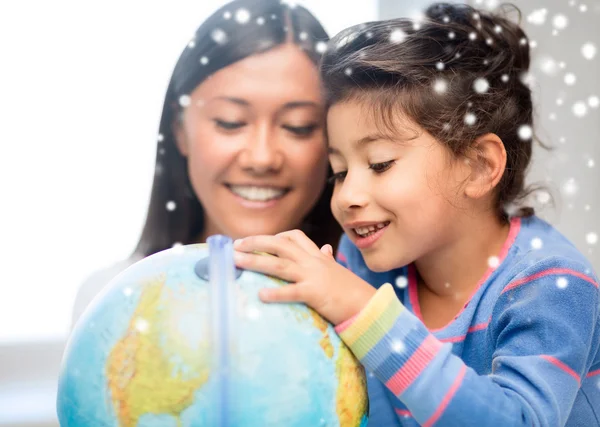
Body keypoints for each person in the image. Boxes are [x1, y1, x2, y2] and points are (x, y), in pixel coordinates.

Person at [232, 3, 600, 426]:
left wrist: (363, 311)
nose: (347, 195)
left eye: (380, 163)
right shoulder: (363, 262)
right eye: (339, 171)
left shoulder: (551, 284)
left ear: (479, 166)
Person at [71, 0, 341, 325]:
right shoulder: (112, 299)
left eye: (298, 126)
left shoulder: (368, 301)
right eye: (230, 122)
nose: (262, 158)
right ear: (178, 129)